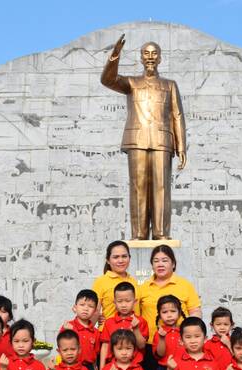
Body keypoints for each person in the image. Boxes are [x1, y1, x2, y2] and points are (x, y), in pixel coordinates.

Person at [100, 35, 187, 240]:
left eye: (154, 53)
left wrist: (181, 146)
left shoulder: (170, 85)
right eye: (146, 53)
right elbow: (108, 80)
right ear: (140, 58)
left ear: (160, 58)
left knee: (161, 187)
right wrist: (115, 55)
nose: (150, 57)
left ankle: (161, 233)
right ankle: (138, 234)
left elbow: (177, 115)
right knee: (138, 187)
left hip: (162, 141)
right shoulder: (131, 83)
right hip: (136, 140)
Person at [137, 246, 201, 370]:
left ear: (173, 264)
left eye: (165, 260)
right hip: (151, 346)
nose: (160, 264)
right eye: (156, 261)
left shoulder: (185, 285)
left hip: (180, 344)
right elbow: (136, 315)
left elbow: (195, 311)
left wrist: (191, 334)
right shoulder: (143, 288)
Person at [98, 281, 148, 370]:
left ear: (135, 302)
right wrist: (101, 369)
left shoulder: (141, 321)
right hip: (112, 367)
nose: (124, 305)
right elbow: (105, 346)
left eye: (128, 301)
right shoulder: (109, 322)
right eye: (120, 301)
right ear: (114, 302)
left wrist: (136, 329)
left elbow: (142, 346)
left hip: (135, 368)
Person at [60, 289, 101, 370]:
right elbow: (61, 346)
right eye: (82, 305)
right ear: (75, 308)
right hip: (71, 366)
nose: (86, 309)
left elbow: (96, 354)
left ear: (95, 311)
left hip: (89, 368)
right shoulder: (68, 326)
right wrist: (67, 331)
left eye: (90, 306)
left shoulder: (96, 332)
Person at [91, 241, 139, 322]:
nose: (121, 260)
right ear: (108, 260)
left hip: (134, 329)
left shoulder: (133, 281)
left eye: (124, 256)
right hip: (109, 329)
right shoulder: (101, 282)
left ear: (129, 258)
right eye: (116, 257)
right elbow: (94, 312)